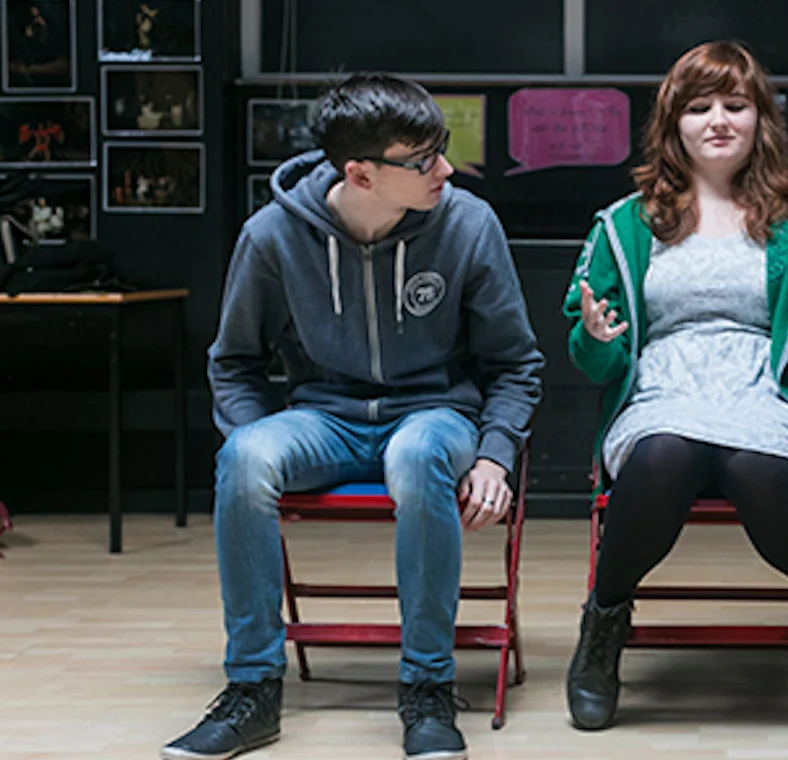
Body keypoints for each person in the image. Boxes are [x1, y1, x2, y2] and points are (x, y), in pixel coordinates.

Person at [162, 72, 544, 760]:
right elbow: (234, 361)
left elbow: (516, 362)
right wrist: (255, 446)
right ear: (360, 174)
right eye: (423, 160)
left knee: (416, 455)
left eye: (442, 150)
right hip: (325, 419)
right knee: (244, 458)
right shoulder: (273, 236)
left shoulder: (467, 223)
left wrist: (494, 453)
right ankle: (253, 689)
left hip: (434, 414)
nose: (445, 170)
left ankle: (427, 687)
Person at [561, 40, 788, 732]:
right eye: (699, 107)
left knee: (757, 462)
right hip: (662, 388)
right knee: (665, 454)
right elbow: (591, 355)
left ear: (762, 118)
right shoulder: (624, 222)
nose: (719, 121)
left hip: (771, 389)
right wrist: (599, 339)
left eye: (736, 105)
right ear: (673, 122)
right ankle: (603, 626)